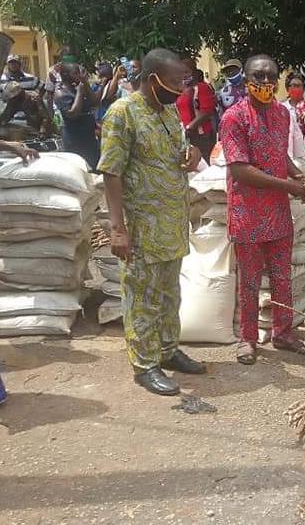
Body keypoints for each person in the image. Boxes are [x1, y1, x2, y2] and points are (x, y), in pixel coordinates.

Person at [98, 48, 204, 396]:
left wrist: (193, 155)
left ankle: (168, 350)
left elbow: (177, 153)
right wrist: (117, 227)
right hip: (142, 227)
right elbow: (111, 172)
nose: (180, 90)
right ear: (151, 78)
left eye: (182, 83)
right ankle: (145, 365)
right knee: (142, 297)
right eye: (174, 83)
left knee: (170, 295)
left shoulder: (170, 112)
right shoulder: (122, 113)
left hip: (172, 224)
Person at [219, 54, 305, 365]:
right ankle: (247, 338)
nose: (264, 83)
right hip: (247, 213)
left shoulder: (282, 115)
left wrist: (299, 175)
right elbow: (240, 170)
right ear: (245, 79)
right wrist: (290, 187)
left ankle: (283, 333)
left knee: (282, 277)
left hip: (277, 212)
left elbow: (280, 155)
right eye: (257, 76)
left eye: (270, 76)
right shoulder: (233, 117)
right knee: (248, 280)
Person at [54, 63, 101, 169]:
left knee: (94, 168)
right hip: (74, 140)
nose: (79, 76)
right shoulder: (61, 93)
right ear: (65, 75)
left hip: (89, 138)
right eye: (75, 73)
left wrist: (86, 85)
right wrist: (80, 92)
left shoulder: (77, 86)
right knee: (79, 169)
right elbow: (73, 114)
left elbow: (95, 102)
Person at [176, 58, 217, 162]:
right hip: (186, 137)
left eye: (186, 71)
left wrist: (189, 127)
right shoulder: (179, 91)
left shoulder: (201, 88)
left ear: (193, 72)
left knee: (204, 166)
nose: (184, 75)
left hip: (202, 136)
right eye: (180, 72)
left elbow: (207, 112)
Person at [282, 71, 305, 159]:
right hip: (288, 154)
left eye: (297, 86)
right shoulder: (282, 109)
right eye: (291, 85)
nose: (294, 88)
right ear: (287, 88)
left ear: (303, 88)